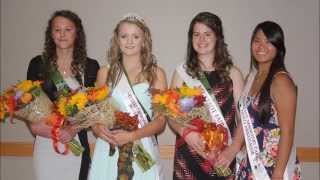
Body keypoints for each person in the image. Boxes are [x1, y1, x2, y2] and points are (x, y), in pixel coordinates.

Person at [89, 13, 167, 180]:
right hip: (109, 145)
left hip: (142, 146)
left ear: (144, 40)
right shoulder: (105, 72)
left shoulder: (156, 74)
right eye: (124, 36)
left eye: (135, 36)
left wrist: (131, 136)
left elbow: (160, 121)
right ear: (117, 40)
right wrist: (97, 128)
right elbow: (96, 114)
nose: (129, 41)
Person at [169, 12, 244, 180]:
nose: (201, 39)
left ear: (218, 37)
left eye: (207, 34)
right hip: (188, 155)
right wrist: (186, 132)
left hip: (222, 157)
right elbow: (170, 114)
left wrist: (233, 150)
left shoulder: (233, 74)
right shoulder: (182, 73)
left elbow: (244, 119)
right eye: (196, 34)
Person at [27, 10, 99, 180]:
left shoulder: (90, 67)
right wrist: (42, 128)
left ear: (77, 33)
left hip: (76, 142)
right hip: (46, 143)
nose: (62, 35)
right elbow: (29, 106)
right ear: (50, 34)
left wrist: (72, 129)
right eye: (57, 30)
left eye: (68, 29)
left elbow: (95, 110)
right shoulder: (38, 64)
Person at [235, 21, 301, 180]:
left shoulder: (281, 81)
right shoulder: (251, 78)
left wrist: (278, 174)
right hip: (251, 162)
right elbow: (247, 122)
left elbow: (288, 132)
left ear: (278, 47)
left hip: (274, 167)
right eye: (257, 40)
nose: (261, 46)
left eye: (268, 42)